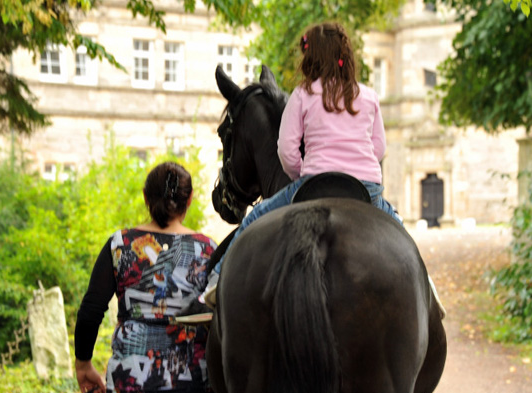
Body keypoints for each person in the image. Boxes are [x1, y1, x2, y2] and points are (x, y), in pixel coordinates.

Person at [190, 22, 444, 318]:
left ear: (310, 58)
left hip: (315, 183)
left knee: (253, 221)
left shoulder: (302, 95)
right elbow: (379, 149)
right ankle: (426, 286)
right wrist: (359, 168)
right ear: (345, 56)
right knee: (399, 230)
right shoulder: (368, 96)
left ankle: (215, 282)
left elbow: (285, 149)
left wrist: (299, 174)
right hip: (365, 188)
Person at [74, 162, 220, 393]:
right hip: (195, 387)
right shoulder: (209, 249)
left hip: (132, 388)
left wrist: (83, 363)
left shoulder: (120, 244)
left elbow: (91, 309)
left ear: (145, 197)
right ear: (189, 200)